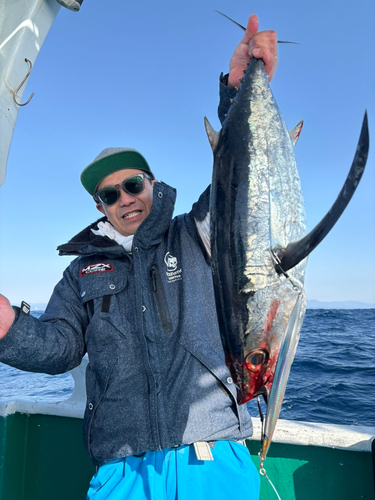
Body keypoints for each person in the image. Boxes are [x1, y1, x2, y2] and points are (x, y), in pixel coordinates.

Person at [0, 14, 278, 500]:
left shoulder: (196, 234)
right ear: (100, 205)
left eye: (133, 184)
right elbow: (62, 347)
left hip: (211, 455)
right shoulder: (81, 272)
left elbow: (239, 183)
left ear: (152, 184)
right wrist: (8, 329)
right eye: (110, 194)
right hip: (121, 468)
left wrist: (235, 97)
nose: (124, 198)